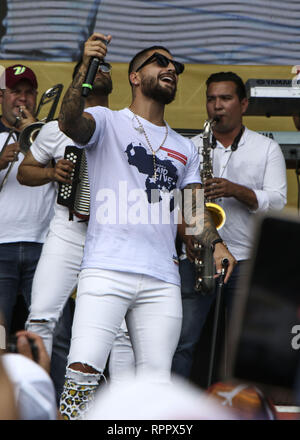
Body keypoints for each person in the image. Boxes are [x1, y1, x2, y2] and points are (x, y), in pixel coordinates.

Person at [57, 33, 236, 419]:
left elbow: (192, 210)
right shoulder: (107, 121)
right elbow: (68, 120)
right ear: (135, 77)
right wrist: (85, 67)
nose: (171, 68)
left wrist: (216, 243)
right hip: (106, 268)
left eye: (175, 66)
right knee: (81, 374)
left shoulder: (184, 146)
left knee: (156, 389)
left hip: (161, 278)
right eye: (159, 61)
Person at [17, 50, 135, 401]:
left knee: (120, 331)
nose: (101, 71)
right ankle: (34, 401)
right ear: (78, 79)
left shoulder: (126, 125)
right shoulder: (55, 130)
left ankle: (125, 410)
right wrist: (52, 172)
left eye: (106, 68)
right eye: (93, 67)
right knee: (40, 317)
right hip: (68, 231)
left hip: (112, 235)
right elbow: (25, 172)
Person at [172, 71, 287, 380]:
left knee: (245, 347)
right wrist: (186, 235)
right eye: (211, 99)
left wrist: (235, 190)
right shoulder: (190, 146)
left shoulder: (266, 149)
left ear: (243, 104)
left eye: (225, 98)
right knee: (182, 342)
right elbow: (177, 203)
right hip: (197, 258)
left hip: (246, 259)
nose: (217, 106)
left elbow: (277, 202)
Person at [0, 64, 55, 335]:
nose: (22, 98)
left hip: (43, 246)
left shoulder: (50, 134)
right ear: (2, 96)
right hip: (1, 248)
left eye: (29, 92)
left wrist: (35, 132)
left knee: (50, 328)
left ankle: (49, 379)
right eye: (15, 91)